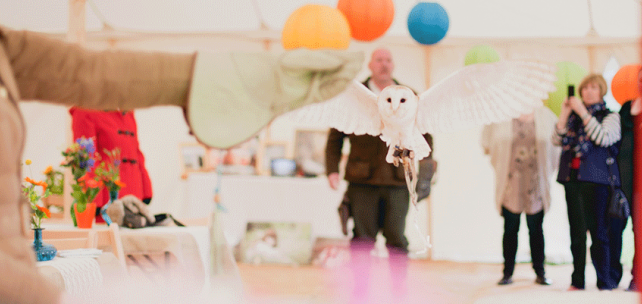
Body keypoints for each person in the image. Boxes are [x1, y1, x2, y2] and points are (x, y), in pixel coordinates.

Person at [0, 25, 362, 304]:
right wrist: (96, 198)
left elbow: (93, 72)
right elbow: (88, 155)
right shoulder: (85, 114)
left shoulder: (8, 49)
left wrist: (227, 76)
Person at [325, 47, 432, 302]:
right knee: (362, 240)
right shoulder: (352, 95)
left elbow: (425, 136)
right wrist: (331, 169)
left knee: (397, 238)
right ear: (370, 65)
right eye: (379, 60)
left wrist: (425, 173)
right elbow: (335, 136)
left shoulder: (409, 96)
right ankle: (360, 292)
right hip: (361, 182)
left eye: (388, 60)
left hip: (397, 182)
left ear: (393, 65)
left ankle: (398, 292)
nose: (384, 64)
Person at [553, 73, 622, 291]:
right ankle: (577, 280)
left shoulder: (610, 116)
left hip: (597, 181)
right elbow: (557, 139)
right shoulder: (572, 117)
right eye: (585, 88)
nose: (588, 92)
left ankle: (604, 280)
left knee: (599, 232)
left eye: (593, 87)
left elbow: (603, 137)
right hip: (572, 180)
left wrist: (582, 112)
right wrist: (565, 113)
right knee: (576, 233)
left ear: (601, 91)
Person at [481, 106, 559, 286]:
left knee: (536, 228)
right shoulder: (500, 115)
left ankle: (540, 271)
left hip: (536, 182)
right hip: (511, 183)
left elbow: (555, 146)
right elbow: (486, 143)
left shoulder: (546, 116)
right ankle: (507, 272)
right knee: (510, 229)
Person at [69, 108, 153, 222]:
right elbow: (87, 159)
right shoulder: (85, 111)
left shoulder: (127, 112)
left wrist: (146, 190)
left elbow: (136, 153)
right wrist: (95, 201)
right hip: (108, 202)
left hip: (134, 197)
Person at [610, 66, 642, 291]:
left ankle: (637, 278)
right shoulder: (626, 108)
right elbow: (615, 139)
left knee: (639, 232)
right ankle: (611, 276)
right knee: (615, 229)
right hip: (622, 179)